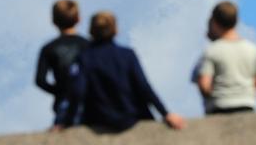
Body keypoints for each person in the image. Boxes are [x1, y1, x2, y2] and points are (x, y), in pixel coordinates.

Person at [56, 11, 185, 132]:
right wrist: (165, 113)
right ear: (115, 30)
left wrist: (67, 123)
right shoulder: (127, 55)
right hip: (130, 117)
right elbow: (143, 87)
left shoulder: (84, 58)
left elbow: (78, 91)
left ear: (91, 31)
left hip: (98, 120)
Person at [196, 1, 256, 114]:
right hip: (247, 106)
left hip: (219, 106)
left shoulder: (212, 51)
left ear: (214, 22)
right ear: (236, 21)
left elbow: (204, 85)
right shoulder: (252, 49)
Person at [35, 0, 89, 125]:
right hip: (90, 101)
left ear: (53, 21)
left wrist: (60, 90)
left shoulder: (48, 48)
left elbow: (40, 81)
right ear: (78, 19)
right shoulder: (89, 45)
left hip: (65, 102)